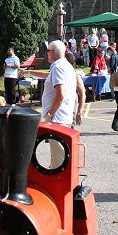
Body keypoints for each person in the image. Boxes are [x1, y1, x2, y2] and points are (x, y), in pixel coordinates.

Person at [21, 40, 76, 168]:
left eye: (47, 51)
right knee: (58, 155)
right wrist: (28, 72)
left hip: (57, 117)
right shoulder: (65, 66)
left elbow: (60, 94)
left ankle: (59, 185)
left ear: (52, 52)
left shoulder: (58, 67)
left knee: (59, 159)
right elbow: (49, 76)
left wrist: (50, 113)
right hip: (64, 116)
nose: (47, 54)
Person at [65, 52, 85, 127]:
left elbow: (82, 94)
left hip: (71, 107)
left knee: (71, 127)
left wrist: (79, 112)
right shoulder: (60, 74)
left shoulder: (75, 76)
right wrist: (29, 71)